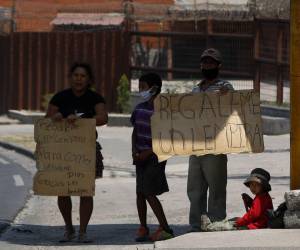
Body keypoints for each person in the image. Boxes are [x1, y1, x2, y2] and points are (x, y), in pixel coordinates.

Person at [45, 62, 108, 242]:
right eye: (76, 75)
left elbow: (103, 117)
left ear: (88, 79)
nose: (79, 79)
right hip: (62, 151)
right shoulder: (60, 97)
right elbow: (46, 121)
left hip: (86, 149)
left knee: (85, 191)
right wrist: (56, 118)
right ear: (70, 77)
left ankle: (83, 232)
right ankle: (69, 228)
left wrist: (83, 120)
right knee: (63, 191)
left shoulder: (94, 98)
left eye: (83, 76)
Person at [187, 48, 234, 232]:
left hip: (216, 144)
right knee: (195, 187)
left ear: (218, 66)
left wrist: (227, 97)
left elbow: (234, 110)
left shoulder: (225, 88)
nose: (207, 65)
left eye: (211, 63)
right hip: (196, 144)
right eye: (204, 62)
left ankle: (215, 221)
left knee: (216, 186)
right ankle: (196, 223)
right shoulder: (195, 89)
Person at [131, 73, 173, 242]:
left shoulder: (163, 111)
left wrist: (147, 153)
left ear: (154, 88)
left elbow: (166, 137)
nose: (141, 90)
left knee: (149, 192)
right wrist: (134, 151)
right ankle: (143, 227)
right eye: (140, 87)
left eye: (144, 87)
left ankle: (166, 228)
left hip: (155, 157)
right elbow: (135, 131)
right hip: (139, 157)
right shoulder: (139, 108)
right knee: (140, 192)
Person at [200, 168, 274, 231]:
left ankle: (209, 227)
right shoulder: (263, 196)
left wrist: (240, 222)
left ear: (263, 186)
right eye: (252, 185)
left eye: (257, 185)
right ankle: (214, 224)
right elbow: (258, 210)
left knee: (230, 225)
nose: (253, 187)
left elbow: (253, 214)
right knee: (234, 219)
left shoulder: (261, 198)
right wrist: (250, 201)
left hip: (256, 225)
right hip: (258, 223)